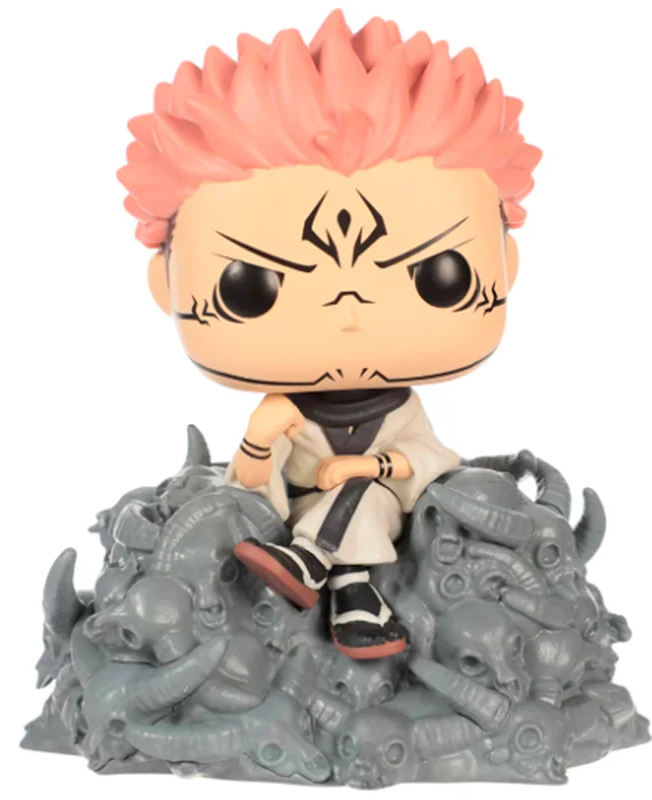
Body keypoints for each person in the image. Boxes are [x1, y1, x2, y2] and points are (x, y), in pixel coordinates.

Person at [118, 9, 540, 658]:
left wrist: (369, 465)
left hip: (379, 510)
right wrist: (259, 441)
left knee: (364, 495)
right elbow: (252, 492)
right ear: (166, 285)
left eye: (438, 277)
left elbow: (430, 458)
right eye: (251, 286)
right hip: (305, 514)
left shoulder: (401, 411)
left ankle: (314, 562)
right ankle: (348, 592)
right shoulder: (284, 411)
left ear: (504, 266)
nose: (349, 311)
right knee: (353, 498)